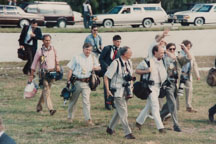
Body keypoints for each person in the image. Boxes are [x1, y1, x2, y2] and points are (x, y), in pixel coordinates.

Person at [104, 46, 136, 139]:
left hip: (126, 91)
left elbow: (131, 76)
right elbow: (106, 77)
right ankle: (127, 133)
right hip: (117, 91)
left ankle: (110, 128)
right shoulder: (115, 63)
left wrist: (131, 86)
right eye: (130, 52)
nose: (132, 53)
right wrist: (108, 90)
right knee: (124, 112)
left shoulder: (129, 62)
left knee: (119, 111)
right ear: (124, 54)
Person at [160, 43, 192, 132]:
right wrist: (165, 51)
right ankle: (176, 125)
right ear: (166, 50)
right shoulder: (163, 58)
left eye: (174, 49)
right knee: (173, 104)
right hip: (167, 84)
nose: (173, 51)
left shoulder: (178, 59)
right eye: (170, 49)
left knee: (169, 104)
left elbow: (189, 57)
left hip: (176, 84)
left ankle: (160, 116)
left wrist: (185, 48)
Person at [67, 43, 101, 126]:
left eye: (90, 50)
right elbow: (70, 69)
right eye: (87, 49)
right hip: (77, 82)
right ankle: (70, 117)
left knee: (86, 102)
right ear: (83, 49)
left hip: (87, 83)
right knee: (73, 101)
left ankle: (88, 119)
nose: (88, 51)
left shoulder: (93, 57)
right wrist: (68, 81)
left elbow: (99, 67)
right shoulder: (77, 57)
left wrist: (95, 68)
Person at [136, 45, 167, 133]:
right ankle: (161, 128)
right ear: (155, 52)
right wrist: (146, 71)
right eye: (161, 52)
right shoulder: (147, 61)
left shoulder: (163, 61)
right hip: (150, 87)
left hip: (159, 87)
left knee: (148, 106)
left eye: (163, 52)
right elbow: (137, 70)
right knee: (155, 107)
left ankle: (138, 122)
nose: (162, 54)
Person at [28, 34, 60, 116]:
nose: (48, 42)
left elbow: (57, 58)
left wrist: (58, 66)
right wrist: (31, 75)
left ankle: (39, 106)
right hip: (43, 74)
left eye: (49, 40)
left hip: (52, 73)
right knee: (46, 89)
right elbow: (34, 64)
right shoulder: (40, 52)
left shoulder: (54, 49)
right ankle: (51, 109)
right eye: (46, 40)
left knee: (46, 91)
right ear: (43, 41)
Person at [99, 35, 121, 110]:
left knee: (114, 87)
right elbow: (101, 59)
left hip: (115, 72)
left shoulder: (120, 50)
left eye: (120, 41)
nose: (119, 43)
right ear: (113, 41)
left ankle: (113, 102)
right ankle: (107, 103)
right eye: (117, 41)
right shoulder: (107, 48)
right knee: (107, 87)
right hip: (107, 71)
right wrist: (106, 66)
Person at [178, 40, 200, 112]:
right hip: (180, 76)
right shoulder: (179, 54)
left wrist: (197, 74)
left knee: (190, 90)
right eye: (187, 47)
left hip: (188, 75)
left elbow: (194, 64)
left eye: (189, 47)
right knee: (178, 92)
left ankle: (189, 107)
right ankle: (176, 107)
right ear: (183, 47)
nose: (188, 48)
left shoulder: (191, 53)